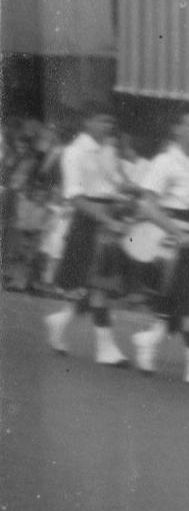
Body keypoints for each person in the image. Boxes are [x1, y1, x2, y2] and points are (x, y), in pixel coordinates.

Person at [129, 110, 189, 388]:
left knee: (183, 304)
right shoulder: (164, 162)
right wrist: (179, 232)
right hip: (173, 242)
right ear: (177, 130)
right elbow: (147, 206)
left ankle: (147, 341)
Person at [43, 106, 132, 367]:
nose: (108, 126)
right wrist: (108, 220)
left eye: (110, 120)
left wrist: (133, 192)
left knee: (97, 286)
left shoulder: (108, 149)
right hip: (89, 220)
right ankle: (106, 349)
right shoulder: (73, 153)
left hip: (111, 218)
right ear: (88, 121)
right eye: (103, 120)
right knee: (99, 287)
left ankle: (60, 322)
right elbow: (76, 197)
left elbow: (116, 185)